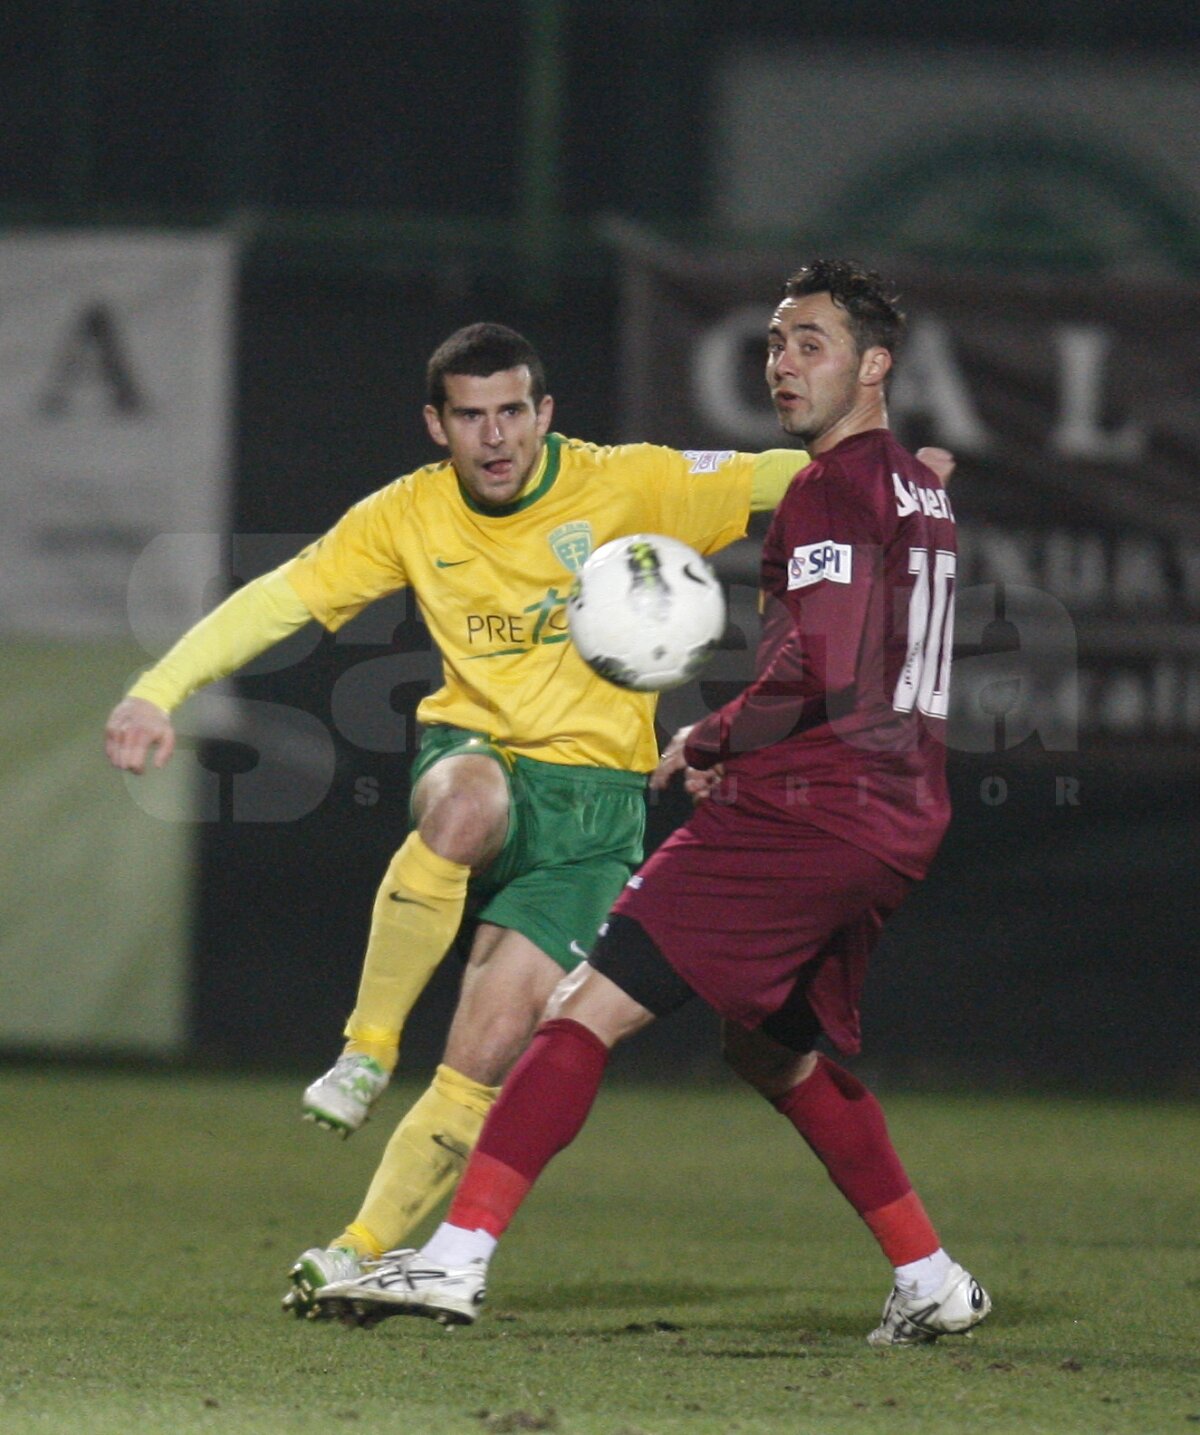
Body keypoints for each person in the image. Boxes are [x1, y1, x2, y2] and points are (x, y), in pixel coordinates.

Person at [317, 263, 991, 1348]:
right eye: (775, 341)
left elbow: (820, 659)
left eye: (811, 342)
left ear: (874, 366)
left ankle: (452, 1260)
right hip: (899, 810)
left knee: (582, 1006)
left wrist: (710, 738)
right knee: (769, 1052)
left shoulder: (827, 487)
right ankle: (931, 1273)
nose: (782, 362)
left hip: (804, 812)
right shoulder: (919, 487)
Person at [104, 322, 833, 1313]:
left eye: (509, 413)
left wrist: (891, 473)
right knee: (466, 805)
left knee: (483, 1054)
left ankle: (355, 1249)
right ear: (436, 425)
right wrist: (160, 689)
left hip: (594, 820)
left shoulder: (633, 482)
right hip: (478, 761)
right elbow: (279, 598)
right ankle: (365, 1050)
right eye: (469, 417)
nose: (493, 438)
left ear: (544, 414)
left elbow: (783, 476)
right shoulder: (409, 511)